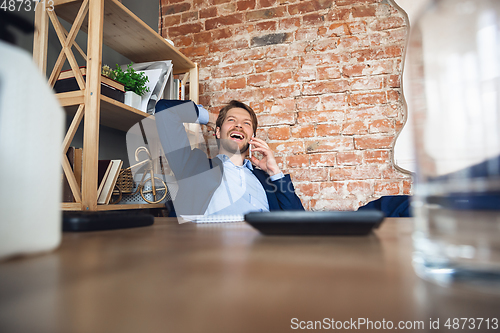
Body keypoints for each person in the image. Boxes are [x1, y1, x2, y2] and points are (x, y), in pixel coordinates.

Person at [154, 99, 304, 217]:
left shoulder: (266, 180)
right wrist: (211, 118)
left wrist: (275, 173)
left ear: (252, 137)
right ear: (217, 132)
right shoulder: (193, 166)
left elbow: (300, 223)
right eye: (231, 120)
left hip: (262, 252)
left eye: (246, 123)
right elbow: (165, 110)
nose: (238, 125)